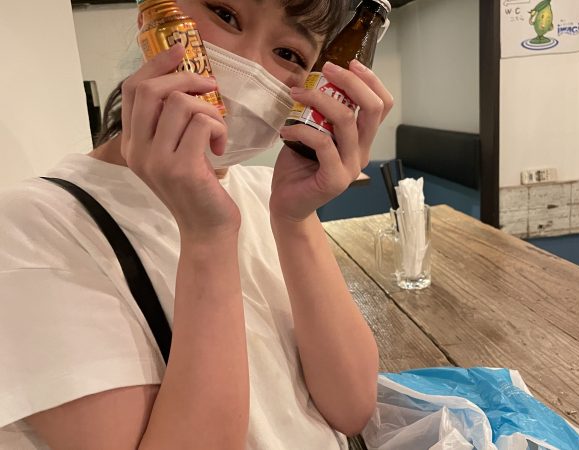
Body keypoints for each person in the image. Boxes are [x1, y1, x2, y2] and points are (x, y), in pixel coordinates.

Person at [0, 0, 394, 448]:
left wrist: (293, 219)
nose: (248, 62)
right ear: (152, 16)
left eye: (289, 54)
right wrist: (208, 236)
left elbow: (350, 407)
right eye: (225, 15)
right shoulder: (30, 229)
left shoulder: (266, 194)